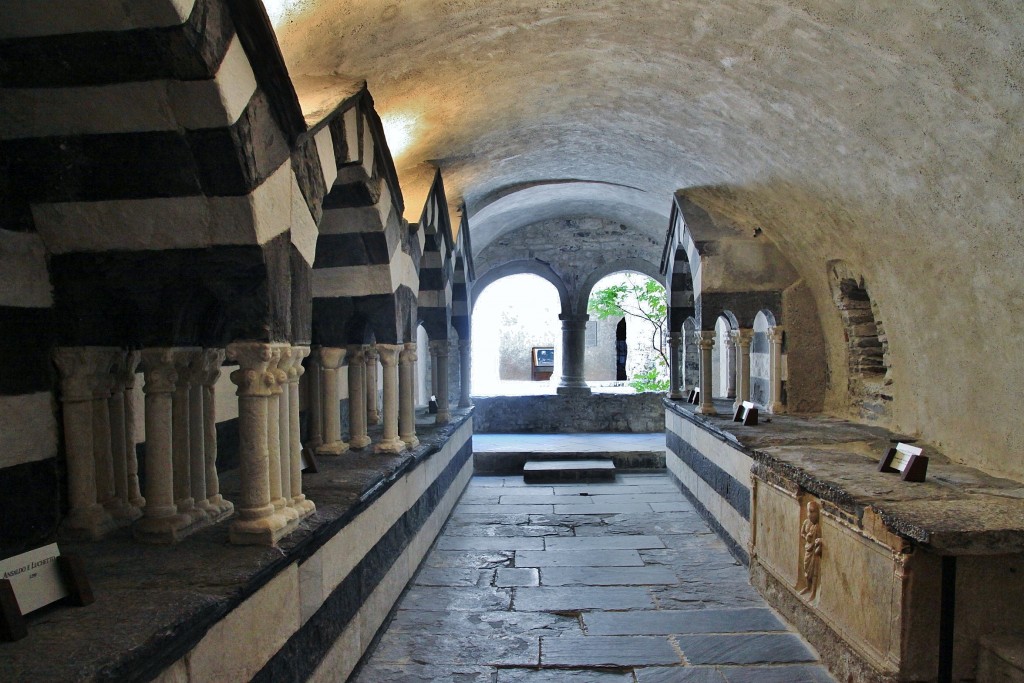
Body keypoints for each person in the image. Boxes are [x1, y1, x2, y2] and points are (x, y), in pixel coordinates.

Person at [800, 500, 823, 599]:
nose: (810, 514)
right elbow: (802, 533)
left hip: (814, 551)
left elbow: (820, 538)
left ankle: (813, 591)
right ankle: (808, 587)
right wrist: (807, 537)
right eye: (808, 511)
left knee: (814, 572)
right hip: (808, 549)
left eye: (812, 512)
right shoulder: (806, 522)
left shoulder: (817, 527)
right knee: (806, 569)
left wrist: (818, 541)